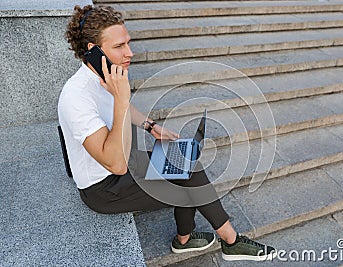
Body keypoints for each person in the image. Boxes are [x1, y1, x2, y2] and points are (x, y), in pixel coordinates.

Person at [58, 5, 276, 262]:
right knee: (187, 192)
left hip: (129, 158)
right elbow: (115, 164)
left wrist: (151, 126)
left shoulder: (106, 75)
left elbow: (126, 110)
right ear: (93, 51)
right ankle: (223, 241)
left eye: (128, 43)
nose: (130, 53)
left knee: (188, 161)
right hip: (105, 187)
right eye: (119, 47)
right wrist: (120, 97)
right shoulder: (76, 97)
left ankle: (204, 240)